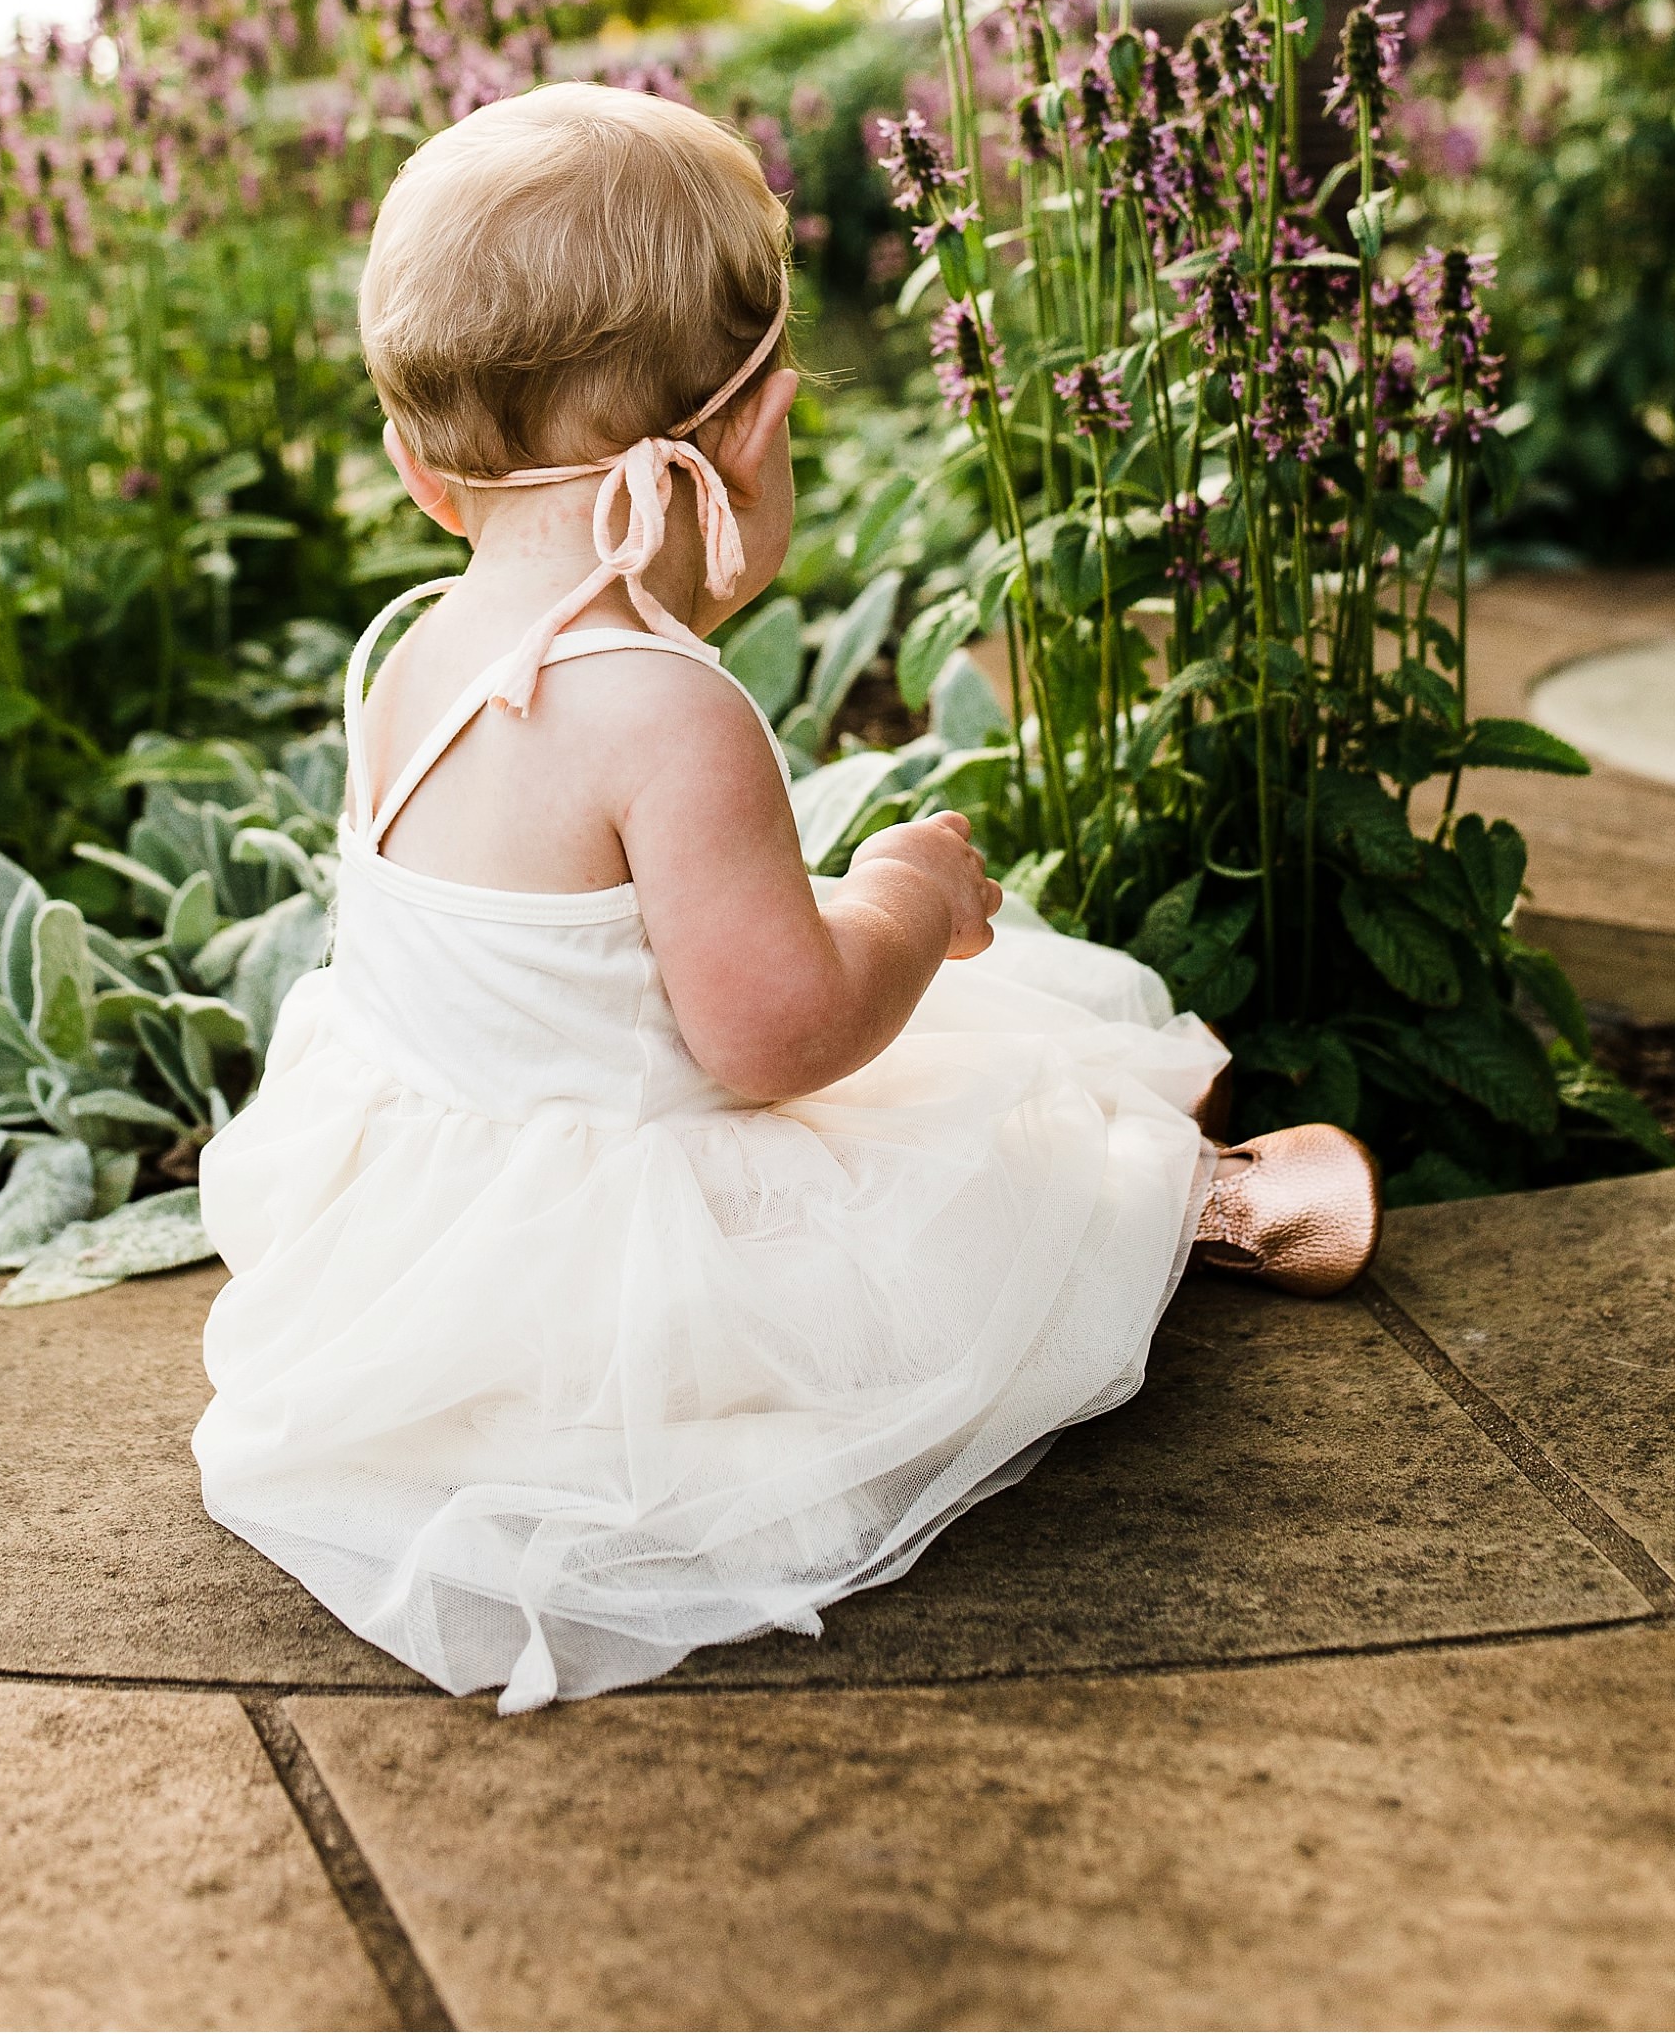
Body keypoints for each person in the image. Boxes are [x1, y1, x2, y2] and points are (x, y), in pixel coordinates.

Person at [193, 84, 1379, 1714]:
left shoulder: (413, 651)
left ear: (416, 462)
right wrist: (902, 894)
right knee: (968, 1109)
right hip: (638, 1267)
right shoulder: (670, 710)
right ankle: (1161, 1205)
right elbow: (779, 1037)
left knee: (938, 1021)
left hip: (429, 1243)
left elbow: (563, 936)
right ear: (751, 432)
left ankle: (1141, 1179)